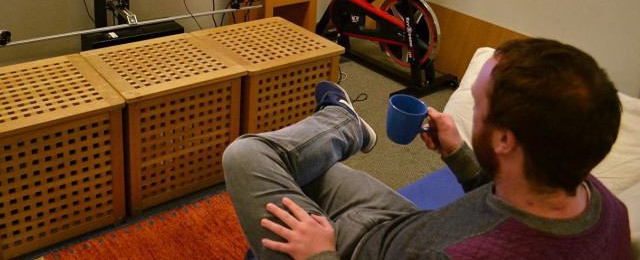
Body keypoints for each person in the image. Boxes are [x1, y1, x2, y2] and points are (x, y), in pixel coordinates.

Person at [222, 38, 632, 259]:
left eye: (480, 104)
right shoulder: (599, 202)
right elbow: (515, 202)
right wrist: (459, 154)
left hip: (357, 249)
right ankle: (343, 124)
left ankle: (342, 124)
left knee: (246, 156)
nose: (470, 112)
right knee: (291, 165)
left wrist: (319, 254)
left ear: (506, 141)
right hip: (406, 225)